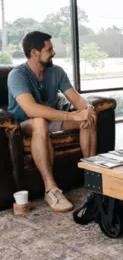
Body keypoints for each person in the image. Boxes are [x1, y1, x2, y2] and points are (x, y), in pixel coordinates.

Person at [8, 31, 97, 212]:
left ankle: (93, 179)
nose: (54, 52)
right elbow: (31, 110)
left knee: (88, 118)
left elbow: (76, 99)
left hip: (51, 120)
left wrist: (88, 109)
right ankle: (51, 190)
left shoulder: (56, 72)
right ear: (34, 52)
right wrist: (72, 116)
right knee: (39, 121)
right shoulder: (17, 75)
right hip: (24, 125)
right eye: (49, 49)